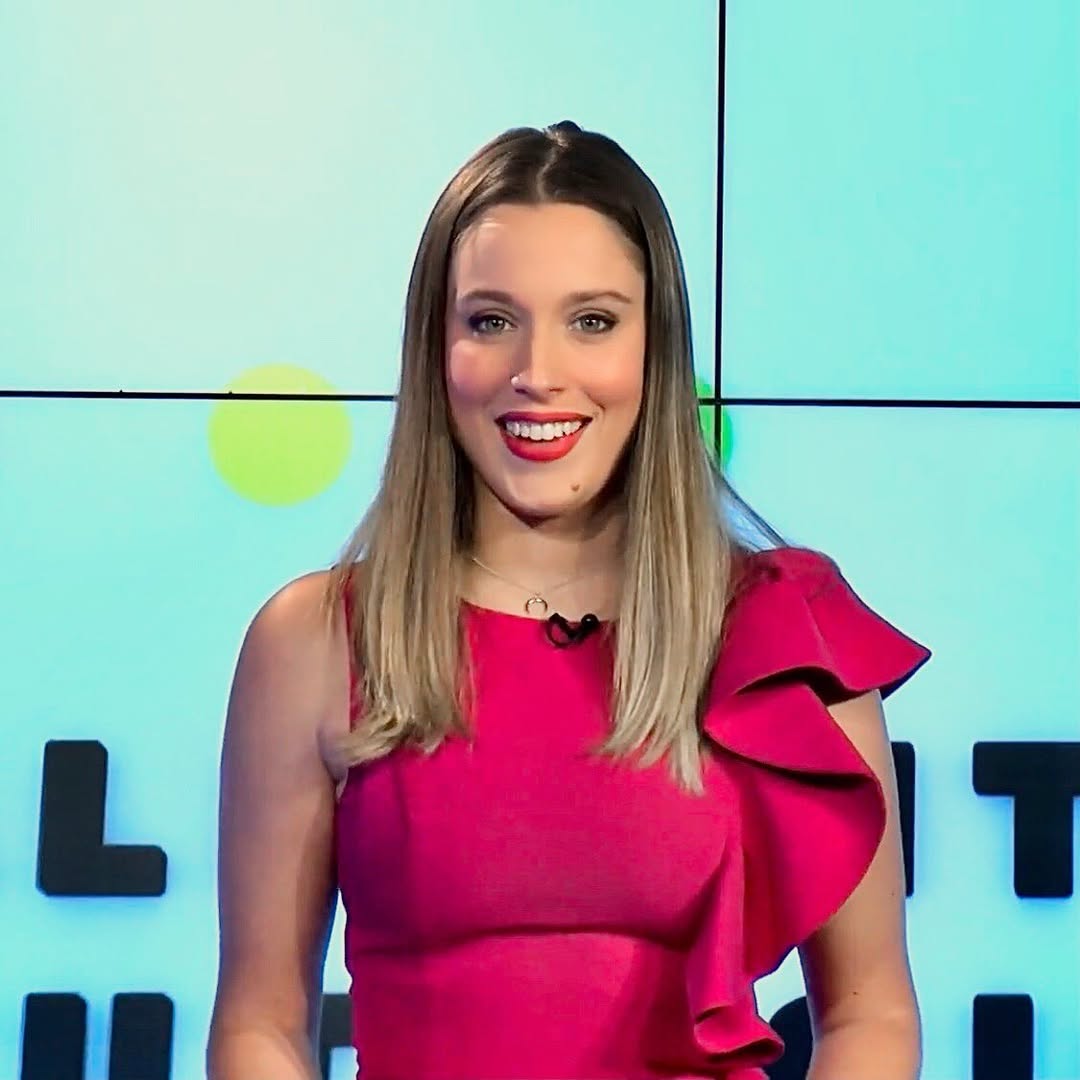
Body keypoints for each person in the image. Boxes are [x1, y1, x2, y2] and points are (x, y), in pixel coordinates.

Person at [206, 121, 932, 1079]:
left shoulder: (781, 635)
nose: (537, 373)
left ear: (656, 349)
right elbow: (260, 1023)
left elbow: (870, 1016)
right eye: (490, 321)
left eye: (592, 321)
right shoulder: (315, 640)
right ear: (433, 349)